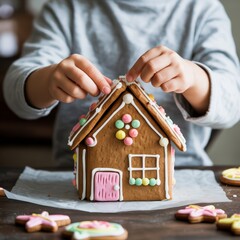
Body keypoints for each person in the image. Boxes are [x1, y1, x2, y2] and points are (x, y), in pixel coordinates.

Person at [3, 0, 240, 167]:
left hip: (184, 173)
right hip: (73, 175)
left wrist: (194, 78)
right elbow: (15, 91)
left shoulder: (203, 10)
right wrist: (48, 81)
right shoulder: (64, 9)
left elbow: (232, 104)